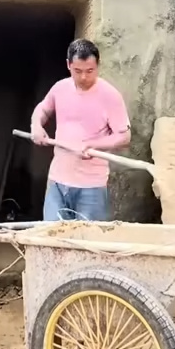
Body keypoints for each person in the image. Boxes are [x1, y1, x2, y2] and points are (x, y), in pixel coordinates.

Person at [30, 38, 131, 222]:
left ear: (97, 66)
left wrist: (93, 145)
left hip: (91, 187)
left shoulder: (110, 96)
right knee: (51, 239)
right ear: (68, 65)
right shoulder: (60, 88)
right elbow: (43, 109)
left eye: (90, 71)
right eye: (78, 71)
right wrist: (36, 125)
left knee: (87, 243)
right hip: (58, 182)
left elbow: (123, 137)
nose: (84, 77)